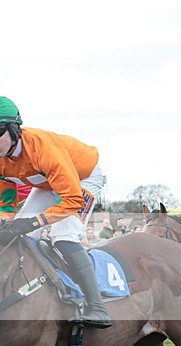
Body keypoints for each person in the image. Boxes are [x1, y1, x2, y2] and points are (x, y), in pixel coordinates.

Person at [0, 96, 111, 328]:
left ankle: (97, 306)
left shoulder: (44, 149)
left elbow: (72, 199)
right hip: (48, 183)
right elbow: (6, 201)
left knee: (63, 235)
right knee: (18, 233)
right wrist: (5, 222)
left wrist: (34, 222)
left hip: (83, 179)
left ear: (14, 129)